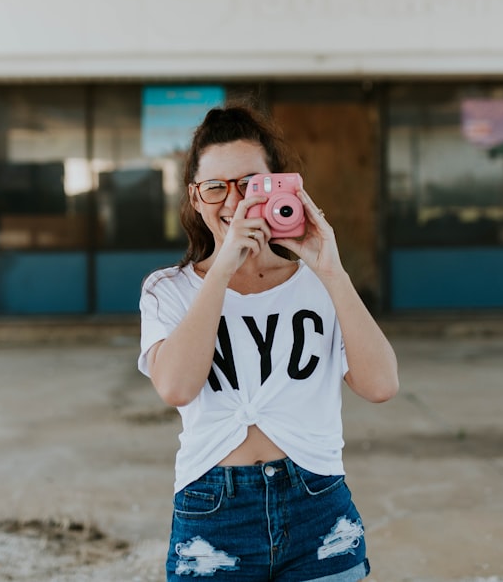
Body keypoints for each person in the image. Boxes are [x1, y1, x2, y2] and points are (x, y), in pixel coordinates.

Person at [138, 103, 399, 581]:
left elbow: (381, 384)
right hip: (214, 512)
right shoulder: (168, 289)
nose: (234, 202)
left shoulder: (319, 281)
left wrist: (332, 271)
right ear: (196, 199)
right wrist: (223, 267)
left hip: (317, 504)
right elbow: (176, 387)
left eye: (249, 185)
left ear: (281, 185)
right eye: (216, 187)